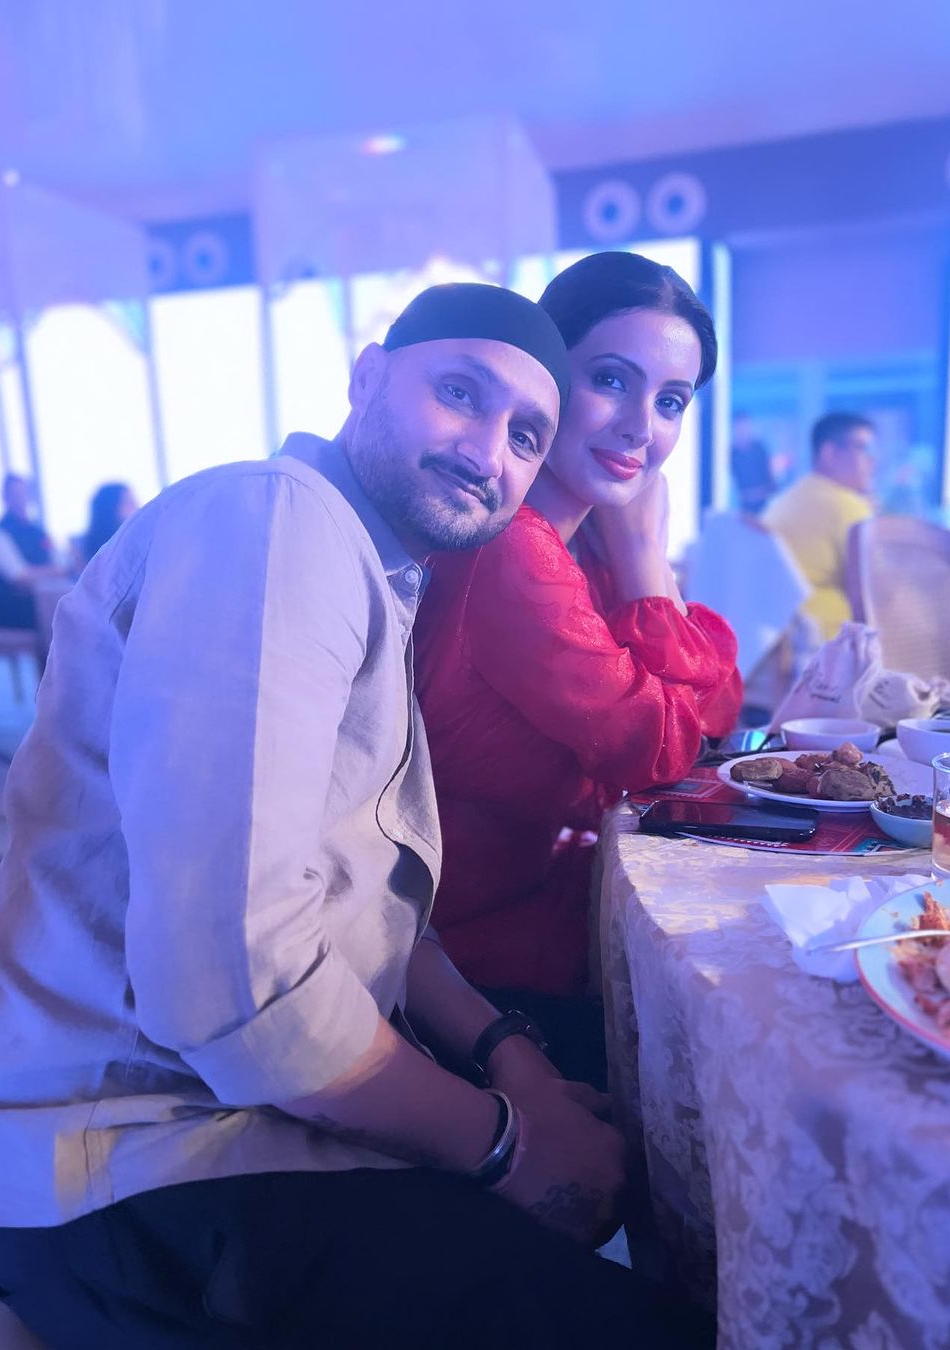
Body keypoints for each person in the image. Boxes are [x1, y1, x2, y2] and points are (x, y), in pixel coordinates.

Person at [0, 284, 704, 1349]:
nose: (487, 450)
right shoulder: (274, 521)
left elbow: (363, 906)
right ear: (365, 376)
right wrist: (508, 1144)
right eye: (459, 393)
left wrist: (511, 1056)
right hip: (152, 1176)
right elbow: (234, 986)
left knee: (660, 1137)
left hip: (249, 1134)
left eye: (527, 434)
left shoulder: (372, 572)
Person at [414, 253, 742, 1087]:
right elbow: (662, 747)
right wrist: (645, 557)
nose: (641, 428)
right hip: (468, 966)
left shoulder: (578, 542)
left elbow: (717, 709)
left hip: (548, 903)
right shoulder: (509, 545)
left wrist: (632, 553)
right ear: (547, 376)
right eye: (611, 380)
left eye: (670, 401)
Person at [762, 412, 876, 641]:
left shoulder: (787, 499)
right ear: (829, 453)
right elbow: (877, 592)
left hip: (777, 641)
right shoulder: (848, 506)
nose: (873, 462)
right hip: (828, 641)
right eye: (864, 449)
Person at [0, 473, 60, 630]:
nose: (21, 498)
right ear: (5, 497)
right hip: (15, 611)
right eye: (15, 494)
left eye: (23, 493)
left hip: (48, 601)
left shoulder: (39, 532)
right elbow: (20, 578)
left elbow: (59, 560)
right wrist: (57, 571)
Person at [76, 481, 138, 569]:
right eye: (128, 502)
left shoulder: (138, 538)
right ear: (110, 508)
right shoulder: (81, 549)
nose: (136, 506)